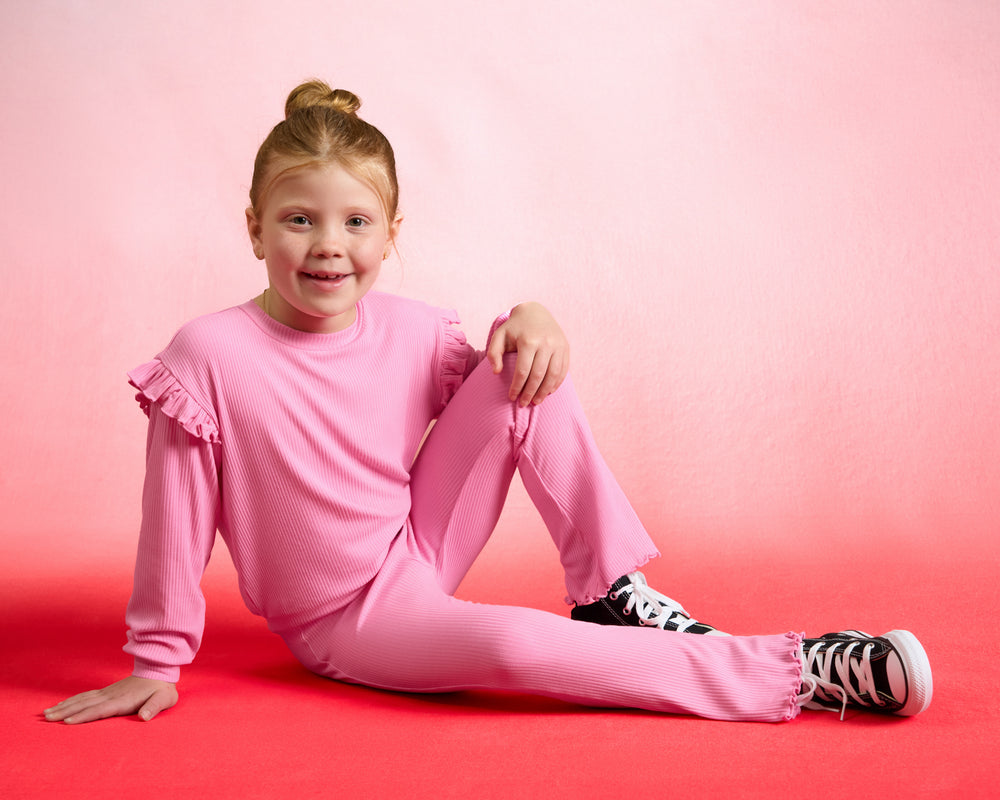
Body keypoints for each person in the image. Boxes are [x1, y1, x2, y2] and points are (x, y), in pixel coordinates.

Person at [44, 80, 932, 726]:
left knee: (526, 360)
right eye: (298, 220)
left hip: (418, 544)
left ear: (392, 236)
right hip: (347, 620)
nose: (327, 247)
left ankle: (610, 590)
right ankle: (802, 670)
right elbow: (176, 517)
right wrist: (156, 661)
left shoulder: (413, 329)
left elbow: (510, 391)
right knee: (510, 647)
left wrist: (533, 316)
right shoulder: (208, 357)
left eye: (355, 223)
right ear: (254, 228)